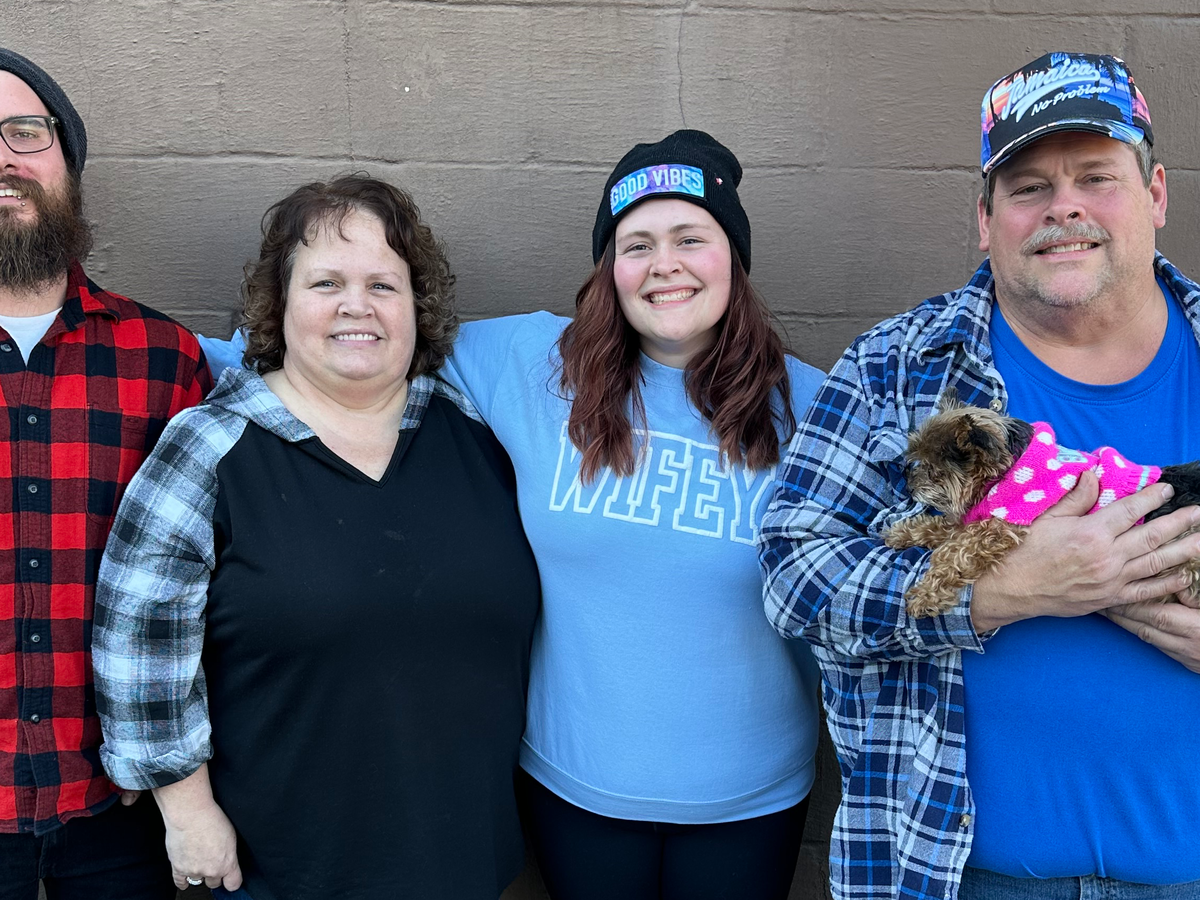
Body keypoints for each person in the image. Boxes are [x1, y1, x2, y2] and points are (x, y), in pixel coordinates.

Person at [759, 52, 1200, 900]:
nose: (1064, 206)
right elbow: (793, 574)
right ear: (985, 217)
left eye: (1096, 176)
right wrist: (998, 589)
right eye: (1029, 186)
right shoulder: (895, 368)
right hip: (954, 873)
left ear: (1156, 195)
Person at [92, 175, 541, 900]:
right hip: (281, 865)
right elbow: (138, 639)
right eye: (326, 282)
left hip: (460, 854)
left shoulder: (480, 435)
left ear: (417, 306)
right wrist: (186, 809)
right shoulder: (209, 447)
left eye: (383, 285)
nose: (356, 305)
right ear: (280, 304)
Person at [440, 130, 824, 900]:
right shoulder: (532, 365)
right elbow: (360, 349)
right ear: (609, 270)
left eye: (691, 238)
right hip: (575, 787)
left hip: (751, 798)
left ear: (733, 257)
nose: (664, 264)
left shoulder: (812, 406)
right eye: (637, 245)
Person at [0, 48, 212, 900]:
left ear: (68, 162)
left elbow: (213, 581)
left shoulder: (164, 357)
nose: (3, 159)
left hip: (120, 806)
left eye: (24, 132)